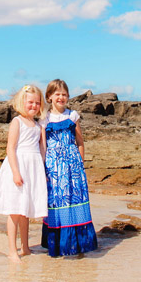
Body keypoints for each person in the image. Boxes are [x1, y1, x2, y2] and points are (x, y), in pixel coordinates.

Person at [0, 84, 48, 263]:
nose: (33, 106)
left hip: (33, 168)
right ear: (22, 102)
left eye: (37, 103)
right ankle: (12, 250)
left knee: (25, 211)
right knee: (14, 210)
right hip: (19, 166)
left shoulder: (38, 125)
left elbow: (42, 149)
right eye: (30, 102)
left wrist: (43, 171)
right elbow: (10, 148)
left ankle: (26, 247)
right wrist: (15, 172)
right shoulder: (17, 122)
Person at [40, 79, 98, 256]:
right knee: (57, 201)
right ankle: (58, 244)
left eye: (64, 94)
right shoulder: (44, 118)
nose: (61, 97)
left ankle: (79, 243)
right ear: (49, 97)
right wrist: (43, 168)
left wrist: (80, 163)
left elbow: (80, 142)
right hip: (53, 167)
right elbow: (42, 145)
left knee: (75, 200)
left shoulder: (73, 116)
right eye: (57, 94)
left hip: (73, 166)